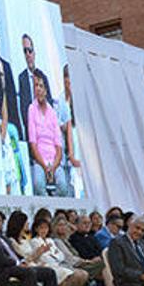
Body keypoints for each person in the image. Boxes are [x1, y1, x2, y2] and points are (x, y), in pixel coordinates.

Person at [11, 213, 88, 286]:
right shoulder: (27, 241)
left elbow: (60, 256)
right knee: (66, 276)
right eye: (26, 223)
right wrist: (39, 254)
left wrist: (43, 254)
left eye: (46, 228)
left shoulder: (29, 240)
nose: (27, 225)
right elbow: (30, 258)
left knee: (81, 275)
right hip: (35, 266)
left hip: (50, 264)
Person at [26, 70, 64, 196]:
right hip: (40, 161)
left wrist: (52, 167)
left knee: (63, 186)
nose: (38, 89)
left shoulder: (52, 112)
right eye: (36, 86)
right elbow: (33, 144)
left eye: (41, 86)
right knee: (38, 184)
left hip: (54, 161)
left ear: (46, 90)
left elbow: (58, 146)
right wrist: (45, 167)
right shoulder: (31, 109)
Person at [16, 34, 52, 138]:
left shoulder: (42, 76)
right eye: (25, 51)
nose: (28, 54)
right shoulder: (22, 78)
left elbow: (49, 102)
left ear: (34, 52)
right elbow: (24, 108)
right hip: (31, 131)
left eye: (30, 50)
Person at [55, 65, 80, 197]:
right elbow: (58, 123)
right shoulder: (60, 100)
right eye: (67, 80)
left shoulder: (78, 99)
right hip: (65, 143)